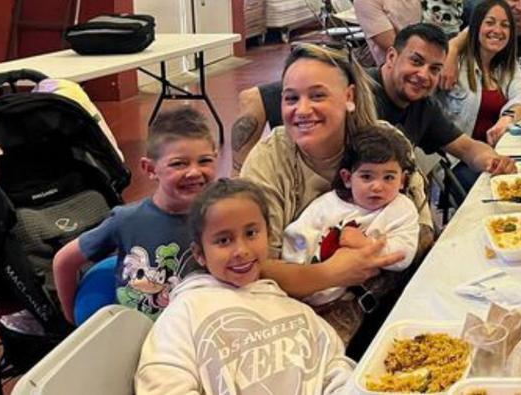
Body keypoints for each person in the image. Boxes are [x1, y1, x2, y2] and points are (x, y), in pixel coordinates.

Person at [241, 44, 423, 322]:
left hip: (388, 303)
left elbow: (424, 232)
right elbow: (254, 267)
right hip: (299, 313)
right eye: (291, 99)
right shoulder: (268, 162)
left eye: (317, 96)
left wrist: (370, 264)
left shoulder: (387, 145)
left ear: (349, 96)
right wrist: (331, 273)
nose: (302, 110)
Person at [135, 179, 355, 395]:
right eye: (223, 240)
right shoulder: (185, 312)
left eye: (251, 233)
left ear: (268, 235)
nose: (241, 250)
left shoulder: (294, 308)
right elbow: (163, 385)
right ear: (200, 254)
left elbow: (334, 368)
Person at [53, 109, 218, 323]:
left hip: (197, 334)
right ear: (150, 169)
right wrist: (71, 320)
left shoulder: (221, 218)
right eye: (179, 163)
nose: (194, 172)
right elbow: (64, 261)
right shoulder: (126, 220)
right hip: (135, 340)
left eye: (204, 161)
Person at [281, 124, 420, 309]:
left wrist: (365, 244)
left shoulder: (401, 208)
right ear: (347, 178)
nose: (377, 186)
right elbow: (296, 237)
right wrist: (299, 278)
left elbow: (404, 255)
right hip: (304, 291)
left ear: (402, 180)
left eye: (388, 177)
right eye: (367, 176)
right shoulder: (326, 205)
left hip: (348, 299)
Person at [368, 24, 515, 179]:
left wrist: (494, 161)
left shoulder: (424, 105)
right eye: (416, 61)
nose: (424, 75)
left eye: (434, 69)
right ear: (391, 57)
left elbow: (468, 148)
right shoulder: (356, 94)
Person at [440, 0, 521, 188]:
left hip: (497, 152)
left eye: (505, 25)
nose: (498, 30)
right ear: (475, 27)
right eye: (490, 23)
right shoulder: (454, 64)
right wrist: (452, 49)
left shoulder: (506, 65)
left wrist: (507, 118)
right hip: (461, 161)